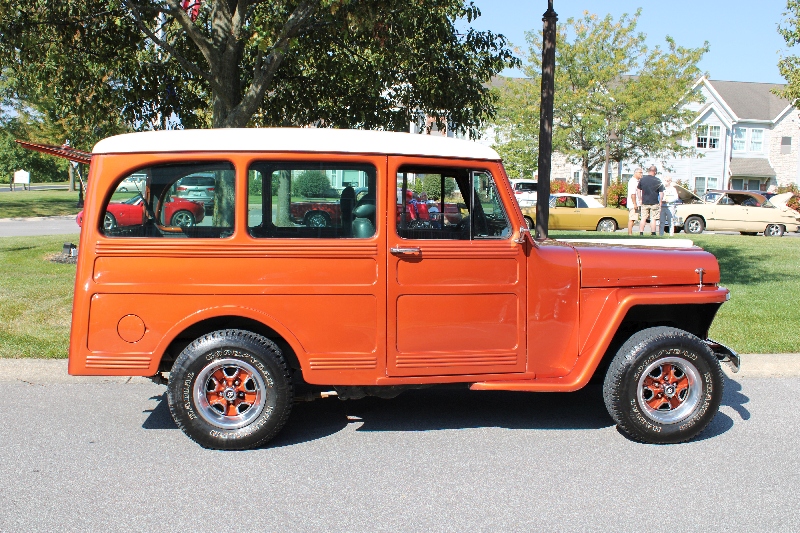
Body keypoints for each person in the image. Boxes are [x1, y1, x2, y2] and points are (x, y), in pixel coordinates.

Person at [638, 165, 665, 235]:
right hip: (654, 202)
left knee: (643, 217)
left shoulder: (642, 179)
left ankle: (641, 232)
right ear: (655, 172)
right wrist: (660, 201)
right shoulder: (658, 180)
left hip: (644, 201)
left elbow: (638, 190)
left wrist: (640, 199)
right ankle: (653, 232)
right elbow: (661, 192)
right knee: (653, 218)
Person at [627, 168, 643, 235]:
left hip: (637, 203)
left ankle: (630, 233)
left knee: (635, 219)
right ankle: (629, 233)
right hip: (633, 203)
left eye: (642, 173)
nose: (641, 174)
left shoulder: (637, 181)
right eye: (640, 172)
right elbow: (633, 193)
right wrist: (634, 204)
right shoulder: (632, 181)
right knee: (632, 219)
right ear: (635, 173)